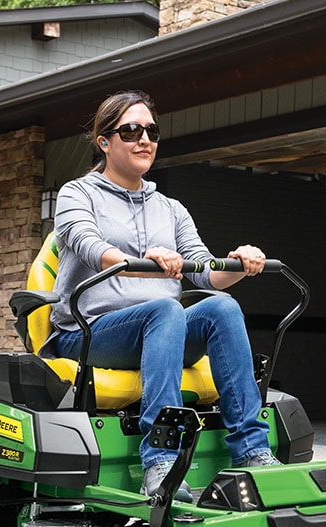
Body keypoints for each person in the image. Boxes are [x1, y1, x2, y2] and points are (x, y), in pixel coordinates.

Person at [48, 90, 280, 501]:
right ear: (104, 141)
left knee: (221, 307)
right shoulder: (76, 194)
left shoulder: (170, 208)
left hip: (162, 328)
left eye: (151, 131)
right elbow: (87, 244)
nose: (145, 140)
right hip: (89, 334)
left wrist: (239, 263)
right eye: (131, 130)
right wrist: (140, 259)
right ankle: (161, 459)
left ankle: (253, 451)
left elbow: (206, 274)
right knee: (166, 310)